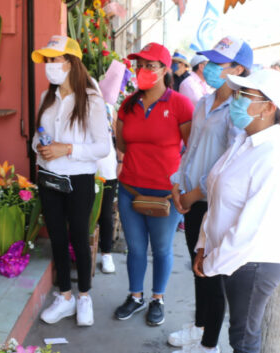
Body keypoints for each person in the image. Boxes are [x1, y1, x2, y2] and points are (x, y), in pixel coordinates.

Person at [194, 69, 280, 353]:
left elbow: (252, 228)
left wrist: (211, 262)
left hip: (254, 261)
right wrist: (204, 246)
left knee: (243, 339)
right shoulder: (244, 141)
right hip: (233, 255)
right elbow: (218, 199)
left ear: (268, 107)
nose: (236, 100)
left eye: (245, 95)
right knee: (241, 335)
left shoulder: (276, 156)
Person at [168, 36, 253, 353]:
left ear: (239, 69)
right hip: (189, 196)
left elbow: (229, 163)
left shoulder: (239, 112)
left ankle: (208, 345)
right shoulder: (204, 102)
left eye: (220, 63)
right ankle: (200, 328)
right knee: (196, 267)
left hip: (212, 201)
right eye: (210, 61)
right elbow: (191, 150)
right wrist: (178, 183)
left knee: (211, 272)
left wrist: (195, 193)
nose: (210, 67)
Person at [31, 35, 110, 326]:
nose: (50, 66)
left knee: (79, 235)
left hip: (79, 181)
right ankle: (65, 295)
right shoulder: (46, 98)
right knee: (57, 236)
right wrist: (40, 148)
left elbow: (103, 147)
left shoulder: (91, 99)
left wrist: (67, 149)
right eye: (47, 60)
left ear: (71, 63)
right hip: (49, 178)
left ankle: (84, 296)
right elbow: (39, 138)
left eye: (55, 59)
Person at [114, 42, 193, 326]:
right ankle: (135, 296)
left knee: (161, 250)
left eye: (150, 65)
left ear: (164, 69)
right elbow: (122, 144)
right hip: (130, 189)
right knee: (135, 249)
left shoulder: (180, 104)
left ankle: (157, 298)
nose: (143, 70)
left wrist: (181, 186)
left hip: (165, 195)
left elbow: (191, 148)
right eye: (140, 65)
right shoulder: (128, 104)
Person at [96, 103, 119, 274]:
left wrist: (121, 161)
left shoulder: (109, 107)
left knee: (105, 213)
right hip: (81, 169)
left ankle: (106, 253)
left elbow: (118, 137)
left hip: (106, 169)